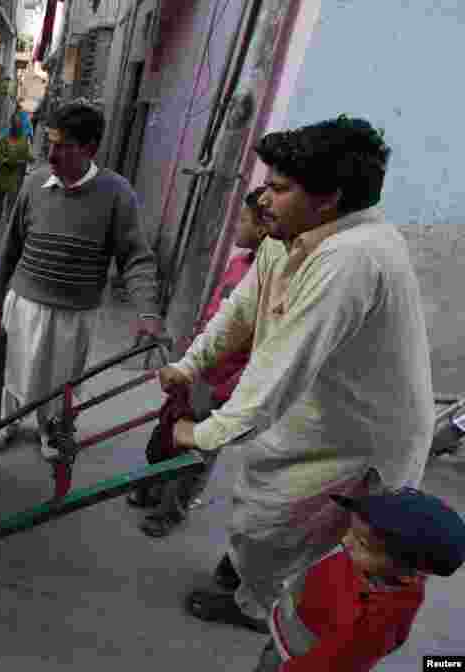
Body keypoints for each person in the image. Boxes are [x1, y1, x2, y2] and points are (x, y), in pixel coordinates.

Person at [162, 116, 435, 633]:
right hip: (319, 409)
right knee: (271, 511)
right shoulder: (288, 234)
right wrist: (189, 363)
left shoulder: (354, 258)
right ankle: (255, 573)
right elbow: (241, 311)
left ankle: (256, 608)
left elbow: (280, 365)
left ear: (328, 198)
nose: (263, 198)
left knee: (289, 520)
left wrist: (203, 435)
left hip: (361, 435)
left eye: (279, 188)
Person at [0, 102, 164, 460]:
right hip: (23, 303)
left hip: (74, 314)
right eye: (49, 143)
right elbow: (11, 247)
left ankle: (50, 431)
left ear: (89, 148)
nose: (51, 153)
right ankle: (5, 422)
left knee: (59, 383)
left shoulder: (116, 193)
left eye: (63, 146)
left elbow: (135, 257)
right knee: (12, 368)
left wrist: (148, 313)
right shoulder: (34, 183)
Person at [130, 187, 269, 538]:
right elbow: (215, 318)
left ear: (264, 227)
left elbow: (263, 348)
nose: (235, 225)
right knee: (165, 434)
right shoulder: (239, 265)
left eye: (243, 220)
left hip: (222, 383)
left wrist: (228, 390)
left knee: (195, 451)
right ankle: (149, 487)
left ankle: (170, 511)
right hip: (197, 370)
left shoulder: (272, 283)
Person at [253, 485, 465, 671]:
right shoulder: (373, 566)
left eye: (362, 543)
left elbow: (335, 665)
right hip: (291, 628)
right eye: (352, 532)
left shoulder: (372, 622)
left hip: (297, 656)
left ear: (406, 573)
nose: (345, 540)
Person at [0, 113, 35, 228]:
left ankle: (9, 219)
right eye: (15, 125)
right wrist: (3, 160)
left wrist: (30, 159)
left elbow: (26, 154)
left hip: (15, 175)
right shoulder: (4, 137)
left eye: (19, 125)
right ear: (11, 125)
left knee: (12, 198)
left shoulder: (24, 140)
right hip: (2, 174)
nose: (17, 127)